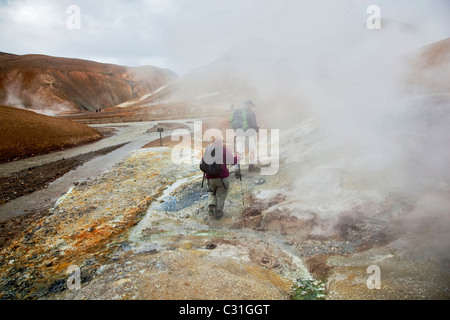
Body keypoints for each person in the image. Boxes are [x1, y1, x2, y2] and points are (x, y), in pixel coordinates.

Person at [203, 136, 239, 219]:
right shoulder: (223, 150)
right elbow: (233, 162)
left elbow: (203, 163)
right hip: (222, 177)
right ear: (221, 142)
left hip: (209, 177)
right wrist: (238, 157)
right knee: (221, 194)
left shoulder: (207, 150)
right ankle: (218, 212)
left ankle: (211, 207)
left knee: (212, 192)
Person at [230, 100, 260, 173]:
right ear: (249, 105)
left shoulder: (237, 112)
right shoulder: (251, 113)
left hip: (239, 134)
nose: (251, 107)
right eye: (251, 105)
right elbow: (254, 124)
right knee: (252, 150)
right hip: (248, 134)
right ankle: (251, 166)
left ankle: (237, 168)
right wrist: (257, 131)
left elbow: (232, 123)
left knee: (239, 152)